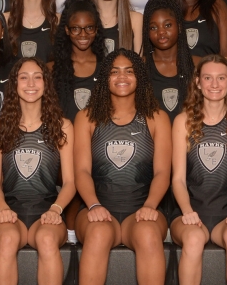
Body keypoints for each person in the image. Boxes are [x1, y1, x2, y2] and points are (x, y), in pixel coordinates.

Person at [73, 49, 172, 285]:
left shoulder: (157, 117)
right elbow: (81, 171)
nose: (122, 77)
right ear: (105, 78)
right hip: (97, 208)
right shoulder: (86, 117)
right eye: (114, 72)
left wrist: (150, 206)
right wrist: (94, 205)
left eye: (129, 71)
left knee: (148, 233)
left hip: (142, 209)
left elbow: (162, 173)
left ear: (139, 77)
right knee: (98, 233)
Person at [0, 58, 75, 284]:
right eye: (24, 77)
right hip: (9, 210)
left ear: (46, 83)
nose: (31, 83)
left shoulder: (62, 126)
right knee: (7, 239)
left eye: (37, 77)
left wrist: (55, 210)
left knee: (47, 240)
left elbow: (70, 182)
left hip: (47, 210)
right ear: (14, 84)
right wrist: (3, 209)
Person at [171, 55, 227, 284]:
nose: (214, 84)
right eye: (208, 78)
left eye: (221, 78)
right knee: (194, 240)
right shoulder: (183, 121)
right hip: (189, 212)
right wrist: (187, 211)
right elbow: (178, 179)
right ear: (198, 82)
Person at [52, 0, 108, 122]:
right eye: (76, 28)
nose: (83, 34)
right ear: (67, 30)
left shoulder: (107, 67)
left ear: (96, 29)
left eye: (89, 28)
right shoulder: (52, 69)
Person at [142, 0, 195, 121]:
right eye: (153, 27)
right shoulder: (140, 66)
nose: (161, 32)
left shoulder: (197, 64)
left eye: (167, 25)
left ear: (180, 27)